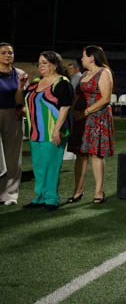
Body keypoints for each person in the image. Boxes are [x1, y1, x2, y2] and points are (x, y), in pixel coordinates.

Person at [16, 52, 74, 211]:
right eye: (39, 63)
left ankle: (51, 199)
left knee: (51, 166)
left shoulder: (62, 83)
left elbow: (65, 107)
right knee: (39, 167)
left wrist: (56, 130)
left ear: (55, 64)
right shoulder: (35, 82)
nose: (40, 65)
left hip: (53, 132)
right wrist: (21, 87)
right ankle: (40, 197)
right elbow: (21, 101)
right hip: (35, 131)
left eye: (45, 62)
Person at [67, 45, 114, 204]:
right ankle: (77, 191)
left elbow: (105, 98)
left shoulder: (104, 72)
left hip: (97, 117)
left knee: (96, 154)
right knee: (80, 154)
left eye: (83, 56)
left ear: (92, 57)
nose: (81, 59)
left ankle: (99, 191)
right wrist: (73, 111)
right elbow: (77, 95)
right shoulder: (84, 74)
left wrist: (84, 113)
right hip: (81, 118)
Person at [0, 42, 26, 206]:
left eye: (10, 53)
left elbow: (22, 98)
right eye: (3, 53)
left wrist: (21, 106)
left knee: (13, 156)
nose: (8, 55)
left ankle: (9, 195)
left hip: (13, 115)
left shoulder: (20, 73)